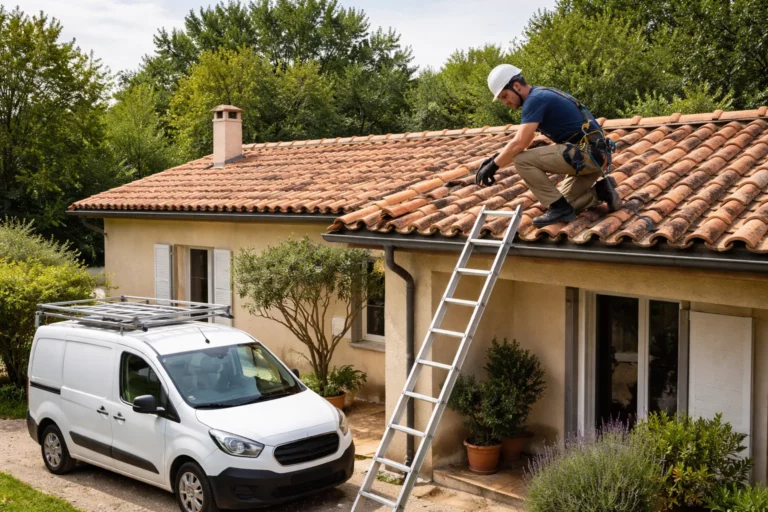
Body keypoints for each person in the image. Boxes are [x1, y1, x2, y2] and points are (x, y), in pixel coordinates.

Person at [476, 64, 622, 227]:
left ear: (516, 86)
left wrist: (494, 166)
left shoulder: (535, 100)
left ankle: (558, 207)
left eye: (505, 96)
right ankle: (602, 192)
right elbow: (526, 139)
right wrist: (494, 158)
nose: (505, 102)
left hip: (586, 154)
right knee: (567, 206)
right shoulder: (541, 94)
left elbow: (519, 143)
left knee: (522, 160)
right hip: (596, 157)